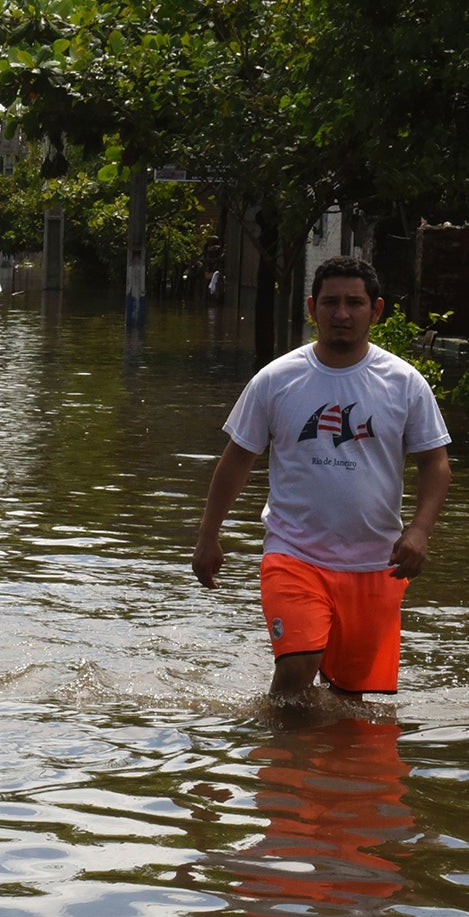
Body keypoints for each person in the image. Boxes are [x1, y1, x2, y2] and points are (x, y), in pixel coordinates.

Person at [193, 256, 452, 700]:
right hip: (293, 552)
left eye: (354, 302)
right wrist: (208, 536)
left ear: (377, 310)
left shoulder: (405, 383)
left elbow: (435, 463)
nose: (342, 314)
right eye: (330, 303)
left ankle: (327, 763)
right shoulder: (276, 380)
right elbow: (237, 459)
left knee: (351, 701)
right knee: (297, 668)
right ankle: (279, 759)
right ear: (312, 309)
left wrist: (420, 531)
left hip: (375, 564)